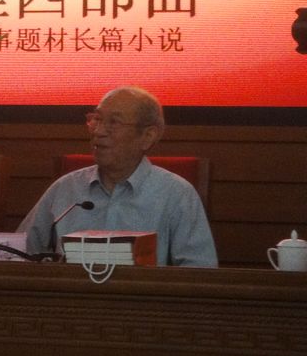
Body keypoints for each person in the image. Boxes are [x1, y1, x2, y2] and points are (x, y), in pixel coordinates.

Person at [17, 86, 217, 267]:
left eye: (114, 122)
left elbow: (200, 272)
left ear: (147, 136)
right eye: (96, 119)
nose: (98, 131)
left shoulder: (176, 194)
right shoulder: (65, 188)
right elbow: (17, 254)